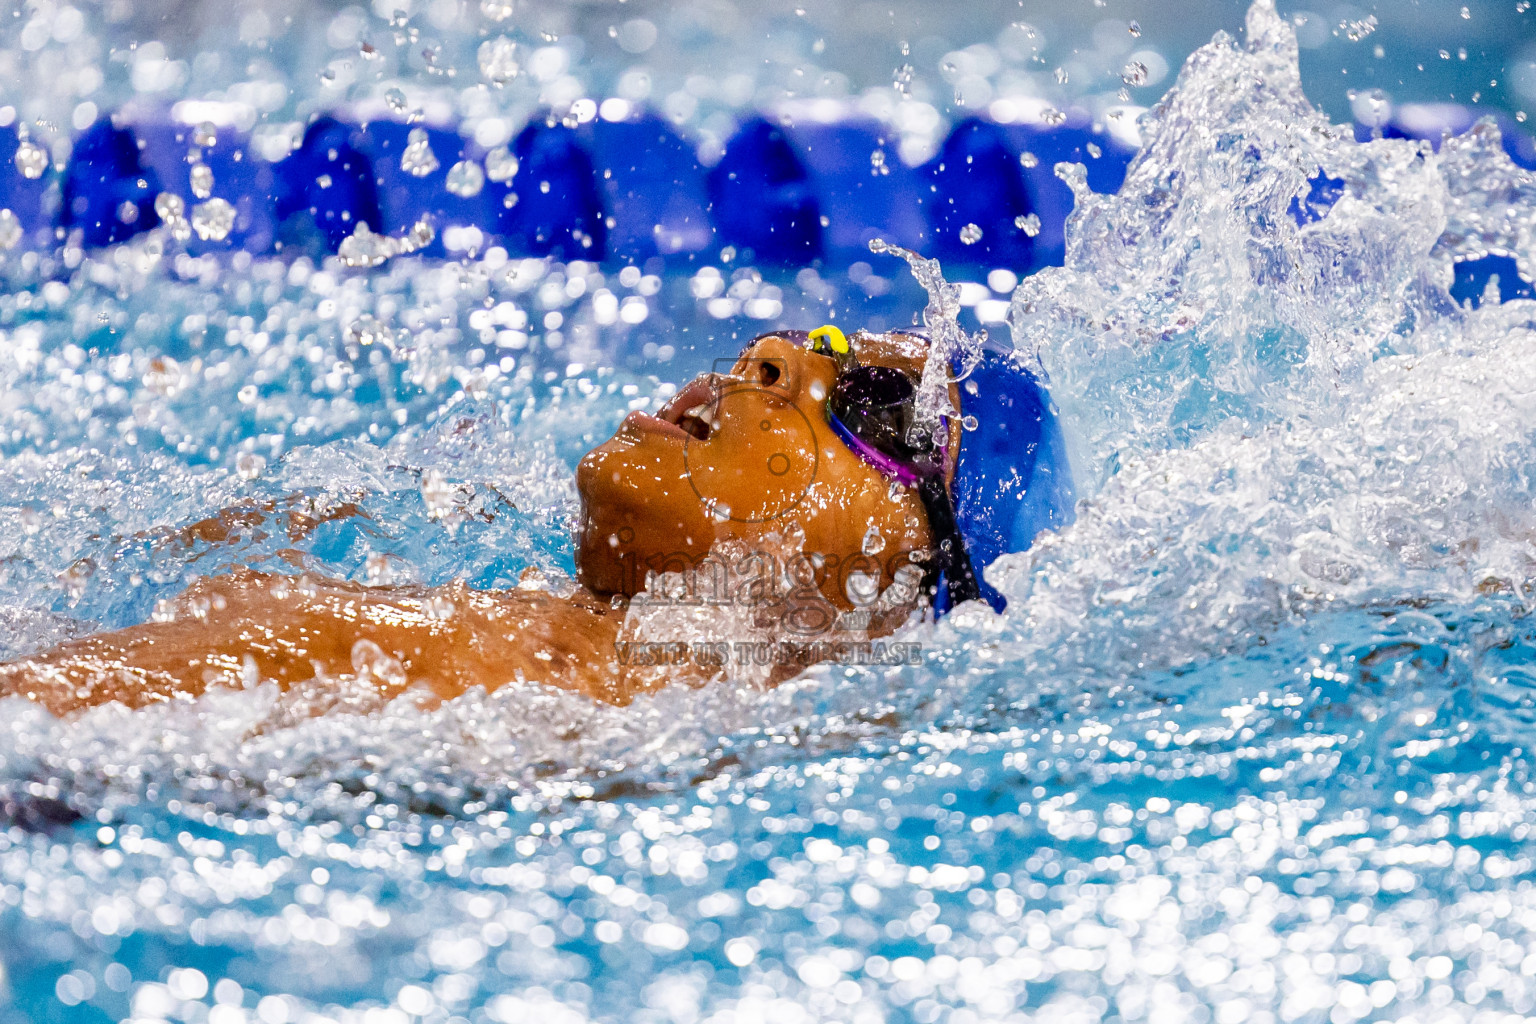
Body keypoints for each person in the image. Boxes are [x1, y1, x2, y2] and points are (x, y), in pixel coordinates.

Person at [0, 326, 1071, 717]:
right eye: (798, 345)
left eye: (879, 405)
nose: (771, 358)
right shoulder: (535, 651)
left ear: (900, 592)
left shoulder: (527, 680)